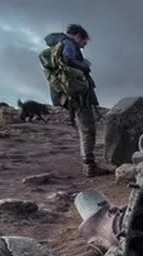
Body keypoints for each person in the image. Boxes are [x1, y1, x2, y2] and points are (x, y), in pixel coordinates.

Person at [43, 25, 108, 177]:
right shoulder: (69, 44)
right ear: (79, 35)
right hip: (78, 96)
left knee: (84, 127)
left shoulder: (58, 45)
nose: (84, 45)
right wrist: (85, 65)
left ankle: (88, 164)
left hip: (68, 95)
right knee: (88, 129)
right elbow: (68, 59)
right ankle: (89, 166)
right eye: (85, 41)